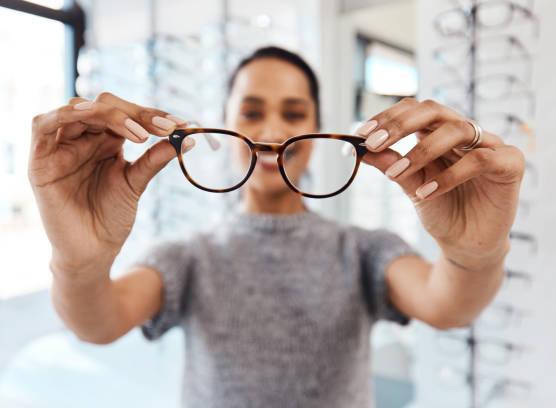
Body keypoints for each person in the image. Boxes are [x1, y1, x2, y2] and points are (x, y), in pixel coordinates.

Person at [28, 46, 525, 407]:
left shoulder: (363, 251)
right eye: (250, 111)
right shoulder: (188, 256)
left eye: (293, 113)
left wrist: (476, 253)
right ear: (223, 123)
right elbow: (97, 322)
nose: (270, 132)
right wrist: (78, 262)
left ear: (317, 128)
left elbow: (449, 304)